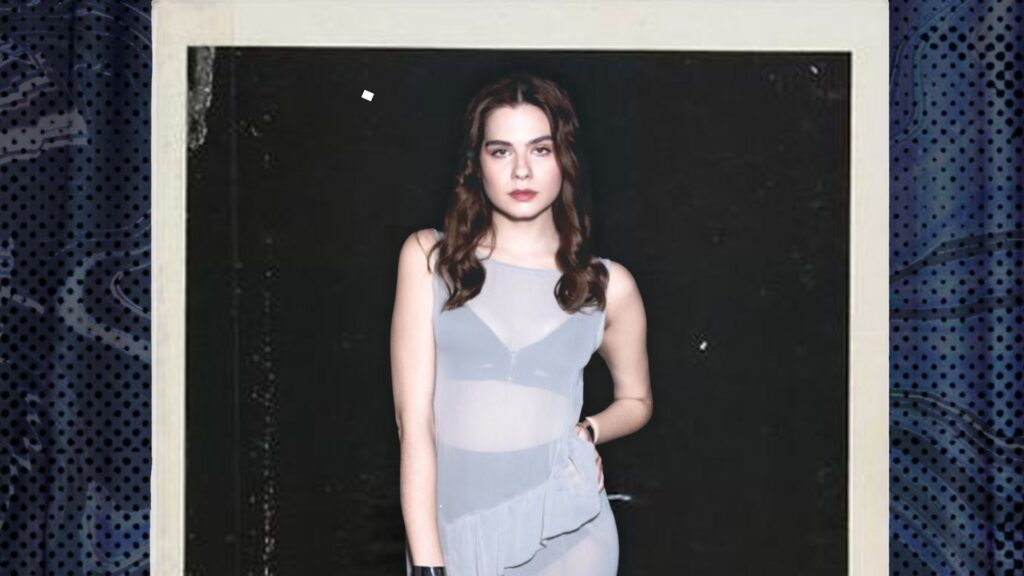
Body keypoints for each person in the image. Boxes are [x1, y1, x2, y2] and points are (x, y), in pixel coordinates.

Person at [390, 73, 653, 576]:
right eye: (501, 151)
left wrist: (590, 430)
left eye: (540, 149)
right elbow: (414, 423)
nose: (522, 171)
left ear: (564, 159)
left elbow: (637, 401)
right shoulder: (429, 259)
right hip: (454, 535)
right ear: (477, 164)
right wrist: (427, 564)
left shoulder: (606, 285)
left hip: (569, 532)